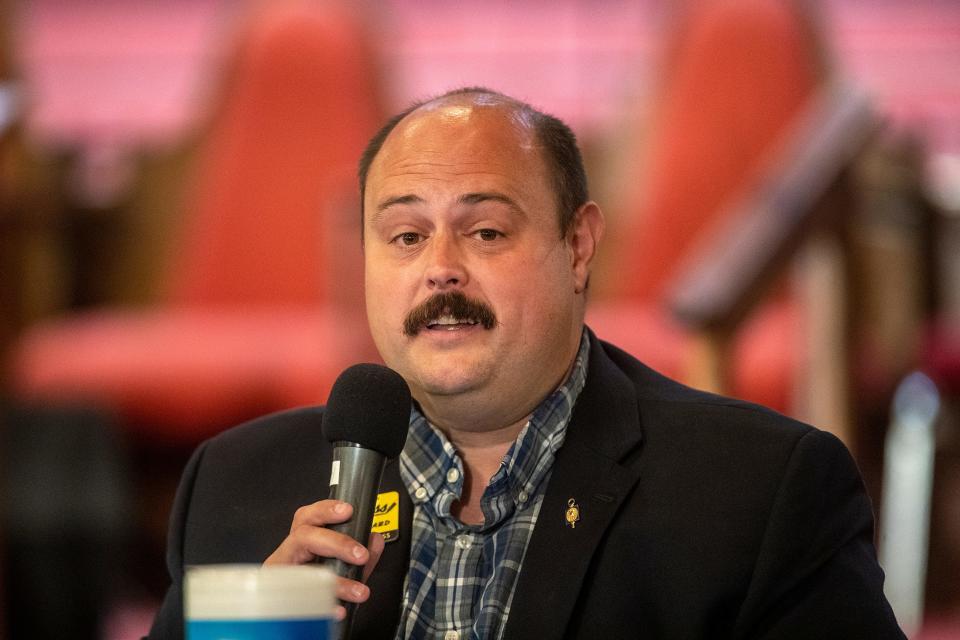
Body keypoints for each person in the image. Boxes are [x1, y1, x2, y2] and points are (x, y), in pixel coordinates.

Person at [147, 88, 904, 639]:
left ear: (577, 247)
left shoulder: (760, 493)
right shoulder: (234, 488)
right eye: (406, 237)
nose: (440, 269)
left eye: (484, 233)